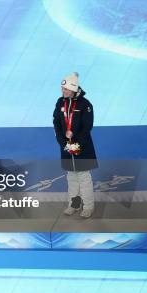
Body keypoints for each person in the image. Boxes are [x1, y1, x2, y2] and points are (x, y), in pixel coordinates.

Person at [53, 72, 98, 218]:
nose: (62, 91)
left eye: (65, 89)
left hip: (82, 148)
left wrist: (77, 144)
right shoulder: (60, 102)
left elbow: (87, 127)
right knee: (71, 177)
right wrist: (62, 142)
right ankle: (74, 204)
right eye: (62, 88)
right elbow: (56, 123)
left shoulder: (85, 104)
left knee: (84, 177)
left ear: (73, 89)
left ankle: (88, 206)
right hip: (66, 147)